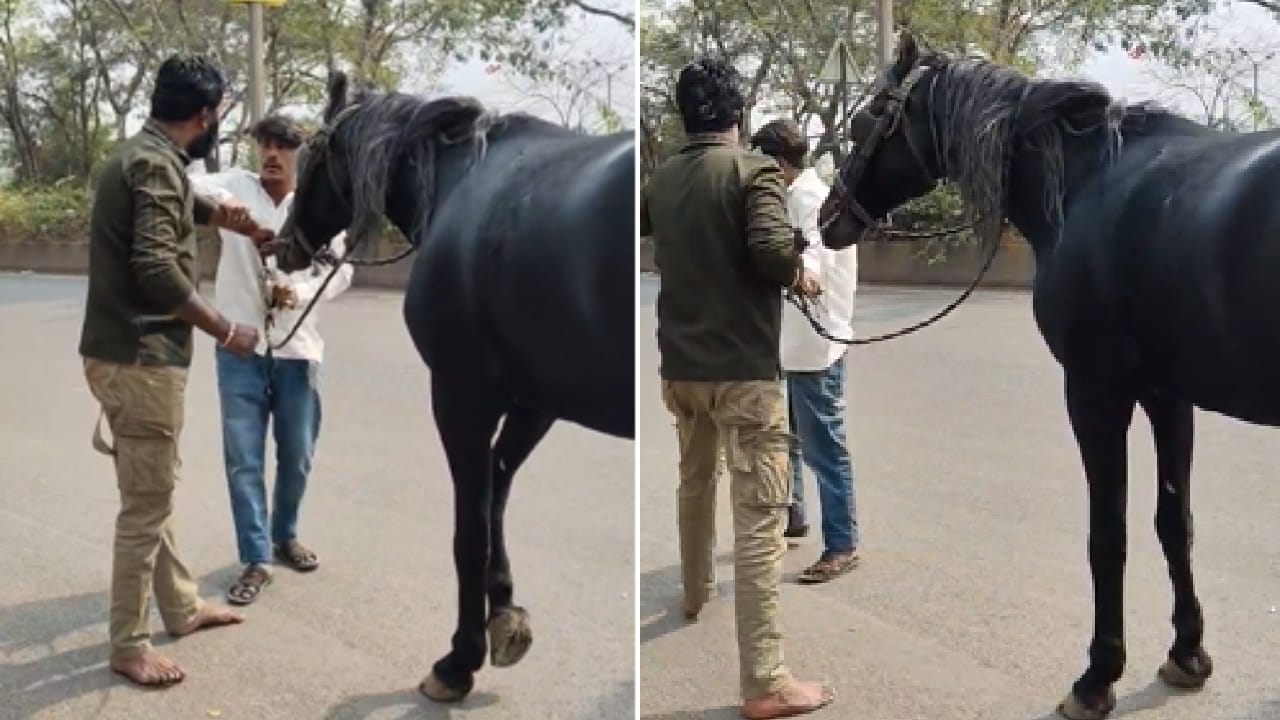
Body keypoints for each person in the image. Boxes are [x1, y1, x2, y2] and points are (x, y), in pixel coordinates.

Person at [641, 59, 834, 720]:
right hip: (744, 375)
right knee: (759, 521)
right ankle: (766, 681)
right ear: (739, 113)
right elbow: (773, 254)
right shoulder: (755, 173)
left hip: (680, 370)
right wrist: (803, 276)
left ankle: (695, 589)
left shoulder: (662, 178)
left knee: (695, 481)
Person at [78, 52, 270, 687]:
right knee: (145, 508)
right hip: (141, 361)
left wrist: (226, 218)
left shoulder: (140, 156)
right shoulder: (157, 165)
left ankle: (181, 607)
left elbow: (172, 204)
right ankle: (129, 645)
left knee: (151, 490)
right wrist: (227, 330)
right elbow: (158, 268)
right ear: (206, 115)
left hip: (118, 356)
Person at [188, 114, 353, 606]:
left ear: (299, 153)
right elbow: (183, 182)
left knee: (297, 455)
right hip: (239, 347)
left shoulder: (316, 206)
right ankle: (257, 558)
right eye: (265, 145)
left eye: (283, 146)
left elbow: (339, 271)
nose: (272, 155)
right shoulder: (237, 186)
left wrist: (296, 293)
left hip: (298, 349)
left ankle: (285, 535)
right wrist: (224, 206)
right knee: (243, 460)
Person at [750, 119, 860, 584]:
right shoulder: (794, 195)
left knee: (824, 450)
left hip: (816, 347)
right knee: (789, 441)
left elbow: (814, 251)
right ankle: (793, 515)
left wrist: (804, 274)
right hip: (794, 345)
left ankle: (842, 545)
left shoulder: (810, 199)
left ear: (776, 164)